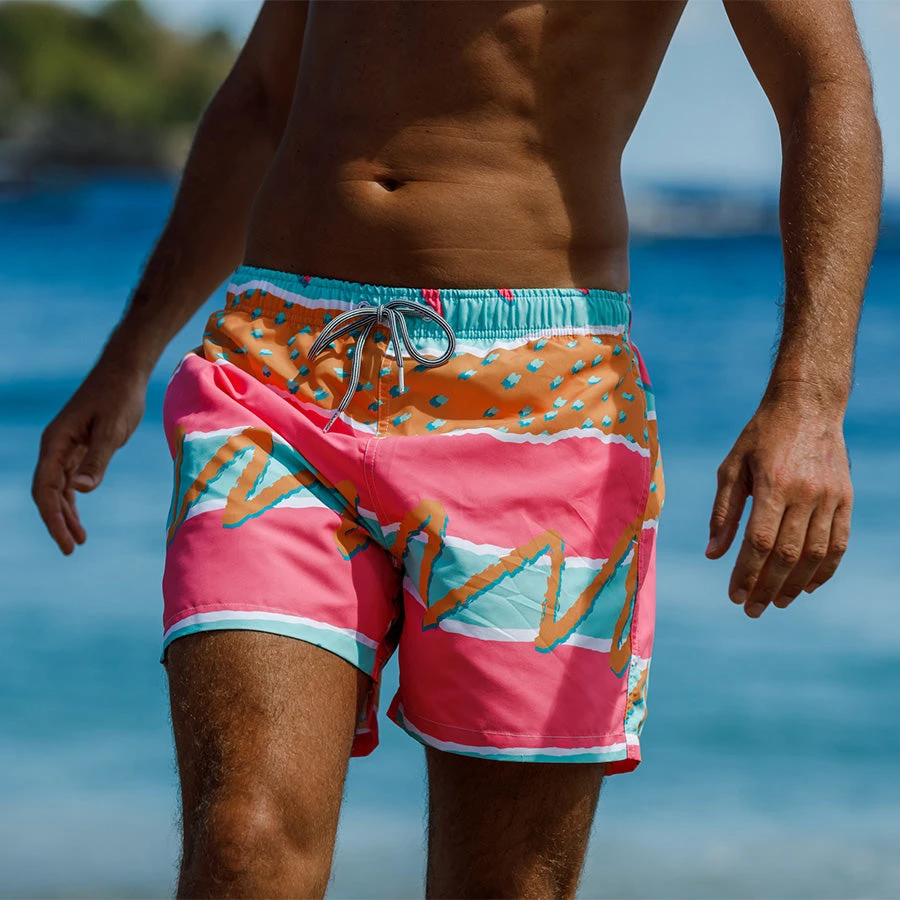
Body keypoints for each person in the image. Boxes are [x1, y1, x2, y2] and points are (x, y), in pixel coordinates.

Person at [32, 1, 880, 897]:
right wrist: (129, 355)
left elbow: (823, 83)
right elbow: (264, 94)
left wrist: (811, 398)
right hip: (280, 368)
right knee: (242, 846)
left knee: (503, 884)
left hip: (539, 398)